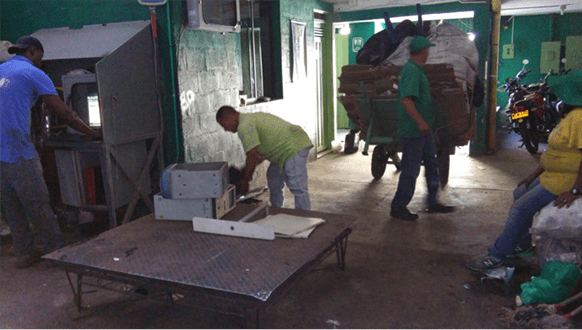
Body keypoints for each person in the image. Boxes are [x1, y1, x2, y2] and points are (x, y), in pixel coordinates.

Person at [466, 69, 582, 271]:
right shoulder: (571, 115)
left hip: (564, 180)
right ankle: (522, 243)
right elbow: (554, 152)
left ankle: (496, 255)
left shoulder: (579, 118)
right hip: (551, 174)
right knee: (519, 191)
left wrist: (575, 190)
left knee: (520, 208)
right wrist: (533, 174)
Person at [0, 36, 101, 268]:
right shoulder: (34, 73)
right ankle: (55, 252)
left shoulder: (3, 69)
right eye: (42, 57)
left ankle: (24, 253)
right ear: (34, 51)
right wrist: (92, 133)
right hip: (18, 151)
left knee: (13, 205)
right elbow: (64, 113)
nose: (42, 62)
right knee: (37, 203)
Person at [389, 36, 455, 221]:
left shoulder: (417, 70)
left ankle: (432, 202)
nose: (428, 53)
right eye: (427, 50)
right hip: (414, 131)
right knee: (410, 170)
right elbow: (406, 99)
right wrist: (420, 122)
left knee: (432, 165)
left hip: (423, 131)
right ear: (423, 51)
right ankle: (398, 206)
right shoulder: (412, 71)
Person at [216, 106, 313, 210]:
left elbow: (252, 155)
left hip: (294, 146)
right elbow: (258, 155)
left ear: (230, 118)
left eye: (223, 125)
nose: (225, 130)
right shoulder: (248, 120)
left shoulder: (244, 126)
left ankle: (305, 215)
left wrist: (246, 180)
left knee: (297, 184)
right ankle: (277, 210)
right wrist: (245, 170)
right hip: (283, 151)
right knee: (274, 178)